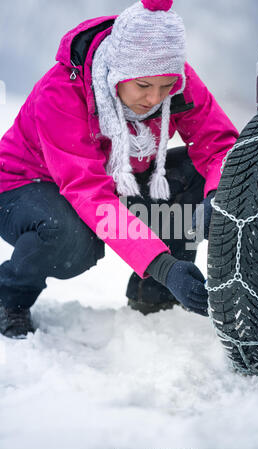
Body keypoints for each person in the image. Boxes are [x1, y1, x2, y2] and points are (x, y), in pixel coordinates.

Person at [0, 0, 238, 338]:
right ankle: (9, 296)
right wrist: (163, 266)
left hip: (114, 178)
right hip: (26, 185)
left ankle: (153, 296)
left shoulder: (174, 79)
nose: (155, 98)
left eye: (165, 87)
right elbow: (89, 193)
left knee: (198, 177)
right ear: (117, 71)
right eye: (142, 86)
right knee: (71, 237)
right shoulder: (61, 92)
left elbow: (220, 147)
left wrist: (218, 200)